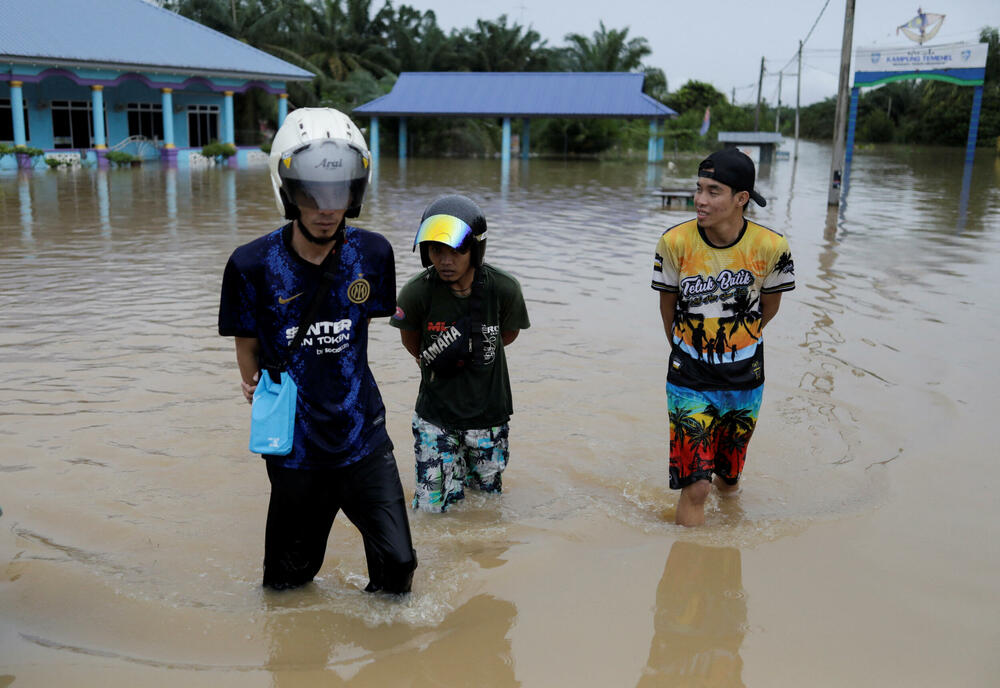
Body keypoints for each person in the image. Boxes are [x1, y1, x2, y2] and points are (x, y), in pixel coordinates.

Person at [218, 107, 416, 591]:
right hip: (296, 449)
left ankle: (385, 638)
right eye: (312, 193)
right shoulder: (251, 265)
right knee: (287, 583)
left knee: (399, 565)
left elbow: (361, 327)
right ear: (287, 191)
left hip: (362, 435)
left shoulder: (373, 254)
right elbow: (246, 344)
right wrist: (256, 387)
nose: (327, 208)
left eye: (340, 191)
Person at [651, 148, 795, 526]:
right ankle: (688, 557)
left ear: (741, 198)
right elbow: (668, 309)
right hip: (689, 377)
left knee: (728, 481)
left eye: (713, 191)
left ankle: (725, 547)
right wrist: (686, 352)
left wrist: (736, 341)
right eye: (699, 188)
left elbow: (768, 309)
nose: (700, 199)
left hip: (745, 379)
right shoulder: (675, 242)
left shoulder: (771, 248)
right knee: (696, 486)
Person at [390, 194, 530, 513]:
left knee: (486, 507)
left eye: (456, 251)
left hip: (488, 417)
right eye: (437, 250)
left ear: (475, 251)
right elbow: (411, 342)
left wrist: (474, 350)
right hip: (435, 417)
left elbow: (508, 335)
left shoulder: (504, 289)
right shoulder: (416, 293)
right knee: (432, 509)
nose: (445, 260)